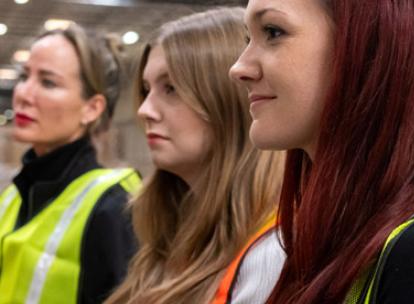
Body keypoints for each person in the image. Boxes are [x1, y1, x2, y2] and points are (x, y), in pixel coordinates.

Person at [230, 0, 414, 303]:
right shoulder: (297, 247)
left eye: (273, 32)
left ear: (372, 48)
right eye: (249, 39)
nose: (239, 68)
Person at [105, 7, 285, 304]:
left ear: (231, 98)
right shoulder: (165, 233)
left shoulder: (274, 250)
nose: (144, 110)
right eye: (147, 89)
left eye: (171, 88)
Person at [0, 24, 141, 304]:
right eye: (25, 76)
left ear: (92, 108)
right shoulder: (15, 195)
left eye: (48, 82)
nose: (23, 94)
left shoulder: (113, 206)